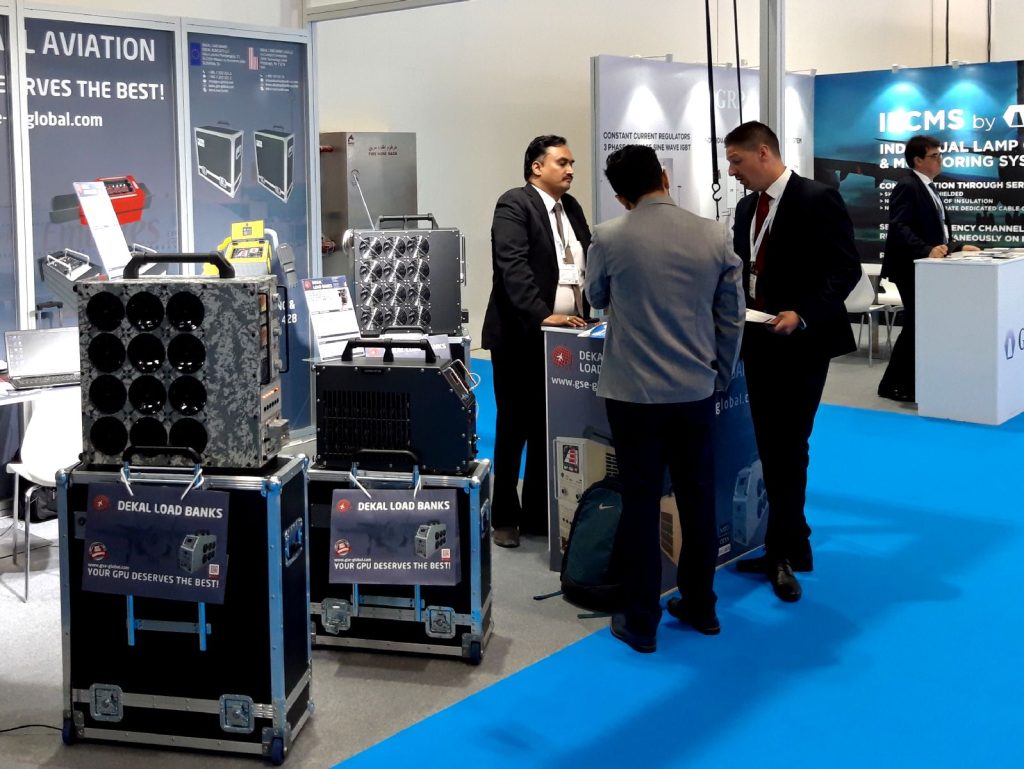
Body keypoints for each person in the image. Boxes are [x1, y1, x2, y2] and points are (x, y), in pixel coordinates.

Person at [585, 145, 744, 653]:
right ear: (664, 177)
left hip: (632, 394)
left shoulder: (608, 236)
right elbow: (732, 316)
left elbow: (595, 297)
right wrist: (720, 375)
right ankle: (701, 605)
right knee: (698, 499)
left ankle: (641, 620)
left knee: (640, 502)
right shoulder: (714, 234)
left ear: (620, 196)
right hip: (694, 390)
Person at [725, 121, 860, 603]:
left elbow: (845, 269)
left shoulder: (817, 198)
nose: (732, 171)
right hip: (758, 339)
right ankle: (793, 542)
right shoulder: (747, 208)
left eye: (737, 161)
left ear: (764, 152)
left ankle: (781, 551)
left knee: (788, 445)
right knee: (771, 444)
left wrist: (802, 313)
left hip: (802, 342)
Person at [482, 135, 591, 549]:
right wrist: (542, 314)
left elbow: (586, 260)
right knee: (514, 426)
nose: (570, 170)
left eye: (572, 163)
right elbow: (512, 267)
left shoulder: (572, 208)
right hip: (521, 335)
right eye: (562, 162)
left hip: (567, 335)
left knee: (550, 426)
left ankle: (537, 514)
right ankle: (505, 517)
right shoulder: (515, 204)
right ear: (536, 167)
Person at [878, 135, 979, 402]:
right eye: (934, 156)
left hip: (926, 268)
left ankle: (910, 381)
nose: (940, 160)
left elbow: (936, 231)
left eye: (939, 155)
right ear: (918, 160)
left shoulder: (928, 187)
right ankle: (893, 384)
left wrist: (957, 246)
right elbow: (900, 227)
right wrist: (926, 250)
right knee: (915, 324)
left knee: (920, 324)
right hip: (910, 267)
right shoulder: (908, 185)